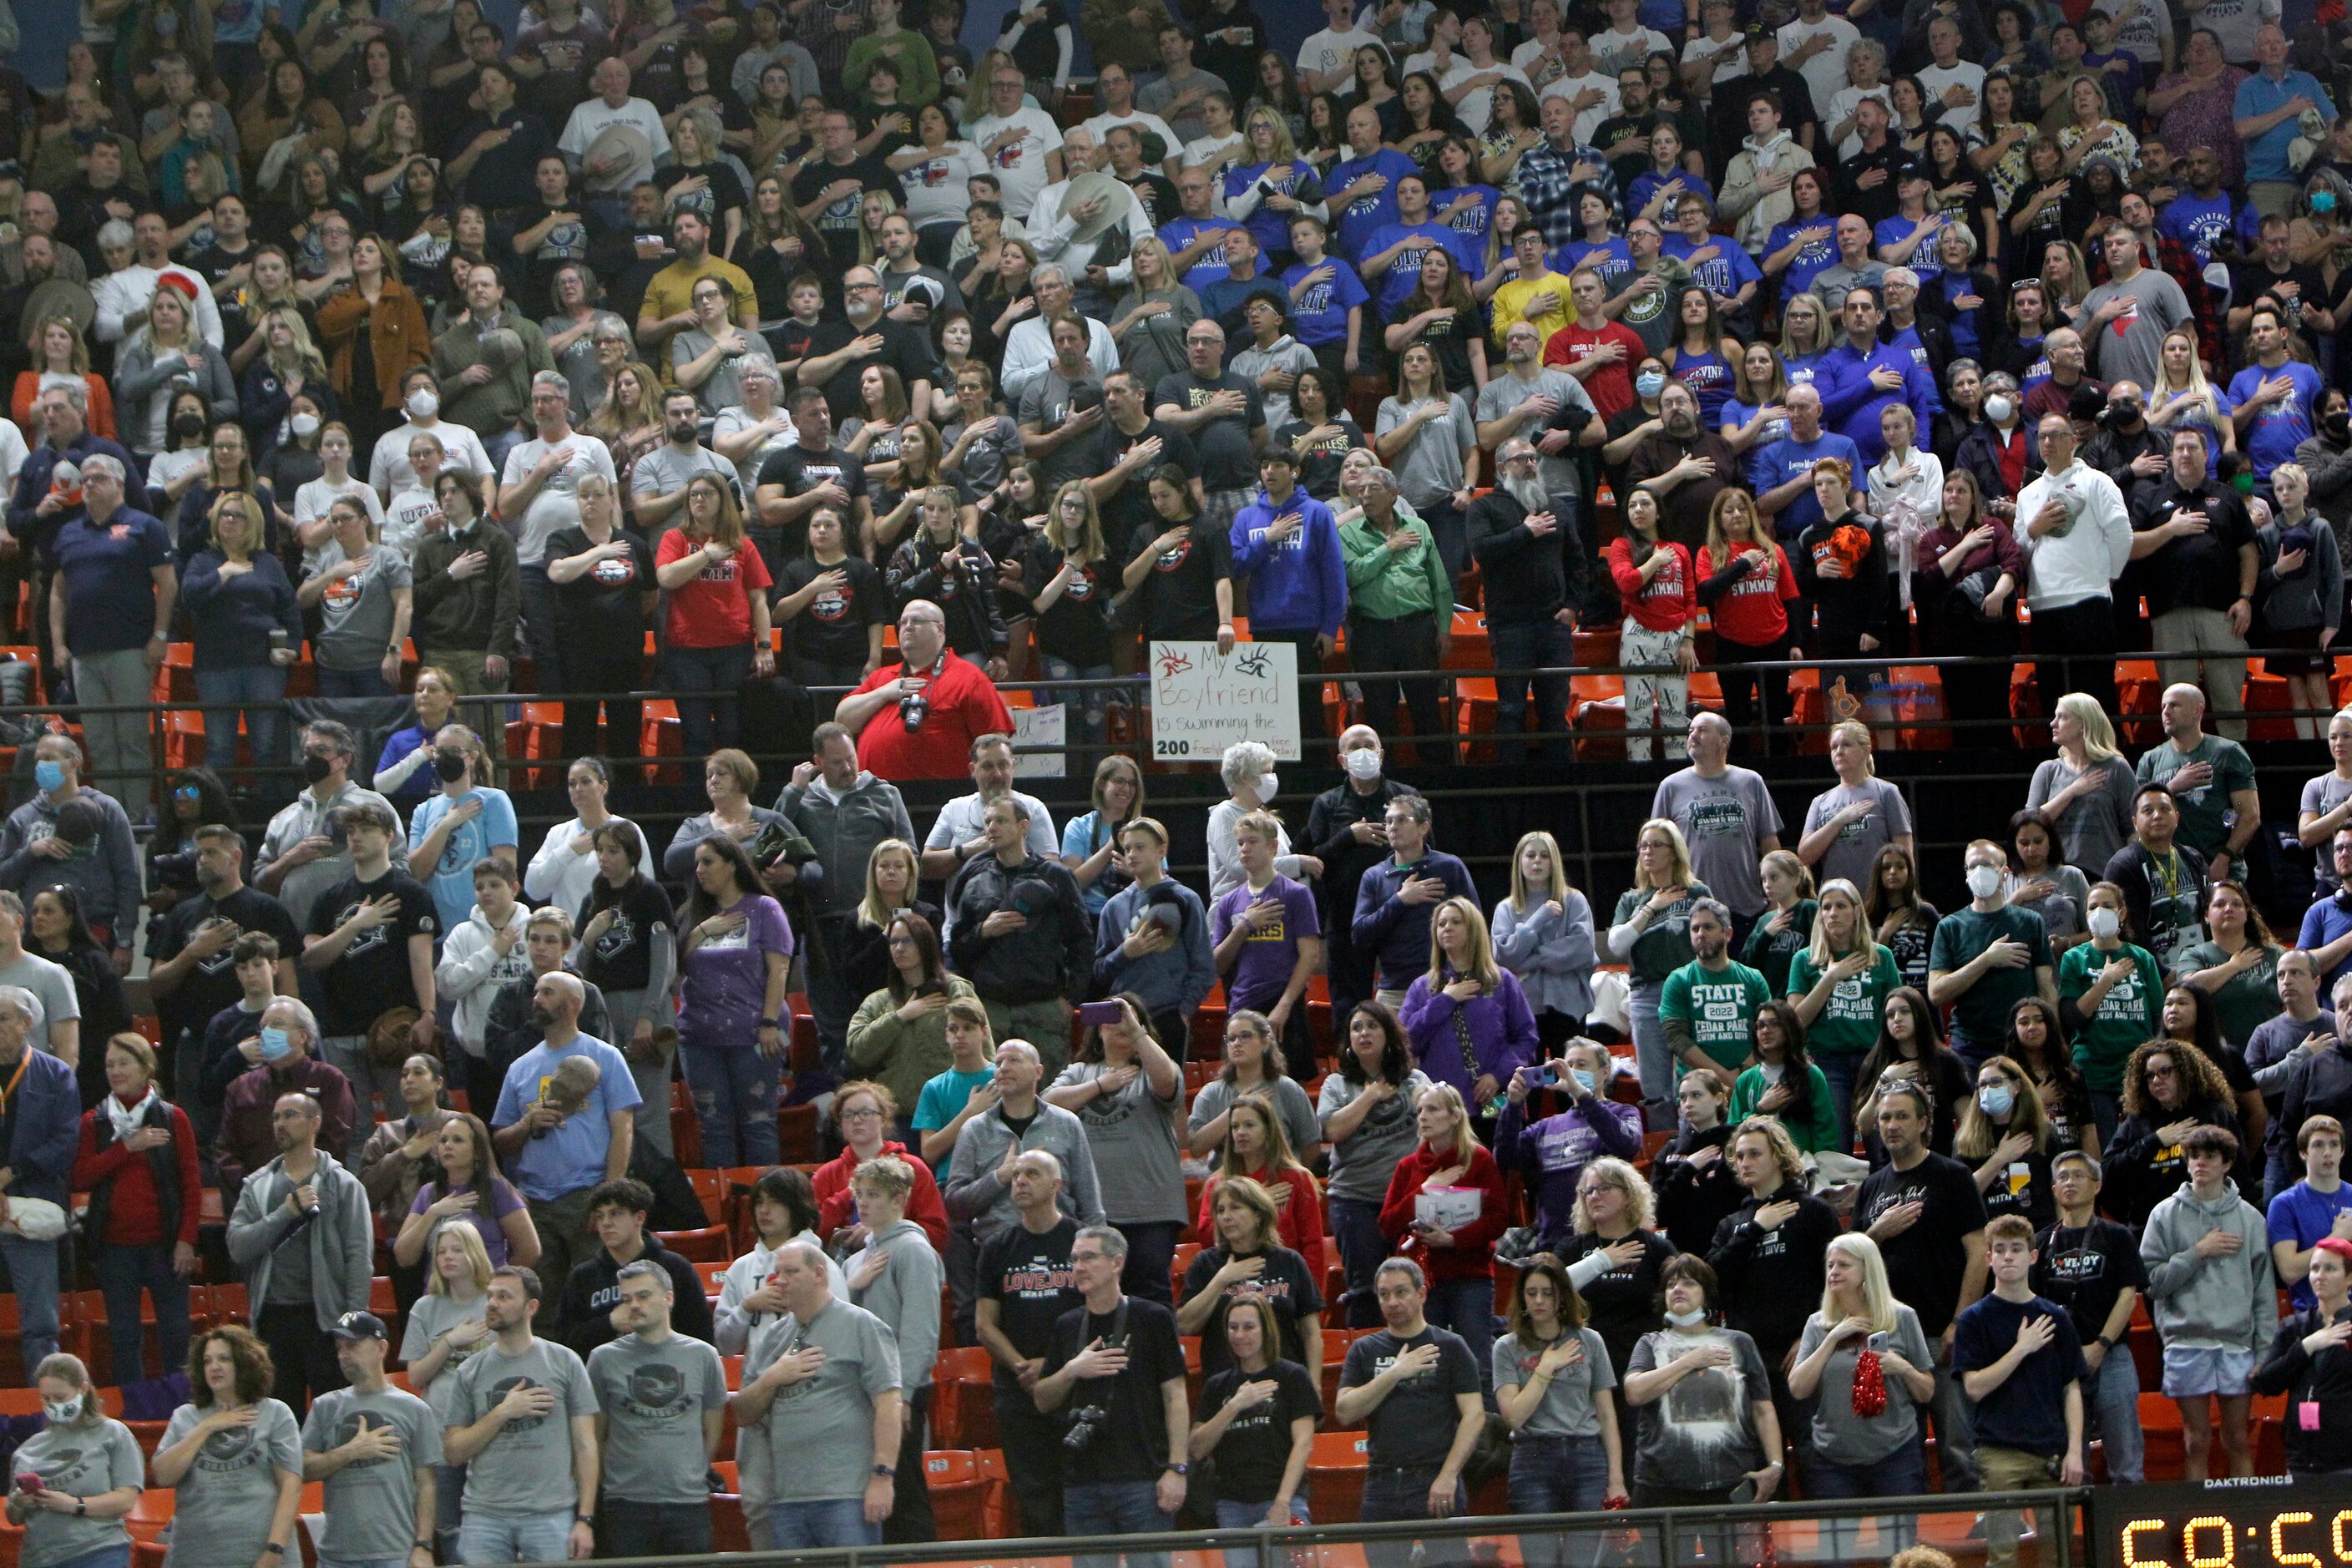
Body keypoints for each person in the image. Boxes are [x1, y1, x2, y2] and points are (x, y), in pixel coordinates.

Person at [1856, 1079, 1991, 1493]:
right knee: (1900, 1449)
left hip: (1941, 1333)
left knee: (1958, 1444)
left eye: (1901, 1116)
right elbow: (1851, 1262)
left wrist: (1959, 1321)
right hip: (1889, 1337)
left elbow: (1978, 1253)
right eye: (1884, 1118)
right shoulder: (1871, 1186)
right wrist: (1876, 1232)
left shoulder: (1952, 1177)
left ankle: (1973, 1529)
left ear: (1924, 1123)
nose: (1892, 1125)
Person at [1029, 1224, 1187, 1553]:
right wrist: (1073, 1370)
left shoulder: (1153, 1318)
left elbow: (1176, 1396)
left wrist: (1177, 1468)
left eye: (1089, 1257)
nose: (1079, 1267)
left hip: (1144, 1478)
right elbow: (1042, 1400)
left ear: (1117, 1263)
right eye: (1074, 1259)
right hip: (1082, 1483)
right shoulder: (1067, 1325)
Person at [225, 1088, 373, 1419]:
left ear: (314, 1123)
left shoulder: (344, 1184)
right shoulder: (258, 1185)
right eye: (276, 1117)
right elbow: (237, 1246)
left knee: (336, 1416)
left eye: (290, 1115)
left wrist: (353, 1323)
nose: (280, 1123)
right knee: (280, 1419)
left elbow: (358, 1257)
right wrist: (285, 1213)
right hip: (273, 1318)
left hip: (326, 1319)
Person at [489, 973, 640, 1293]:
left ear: (573, 1003)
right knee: (542, 1305)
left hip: (586, 1194)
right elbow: (501, 1142)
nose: (537, 998)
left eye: (547, 992)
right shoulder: (520, 1067)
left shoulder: (606, 1057)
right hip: (534, 1201)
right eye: (536, 992)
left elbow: (623, 1130)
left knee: (597, 1296)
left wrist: (608, 1198)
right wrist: (527, 1124)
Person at [2142, 1124, 2277, 1479]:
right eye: (2195, 1156)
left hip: (2236, 1344)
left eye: (2210, 1156)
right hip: (2187, 1342)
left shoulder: (2250, 1219)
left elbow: (2264, 1294)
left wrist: (2264, 1353)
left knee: (2238, 1439)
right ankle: (2195, 1530)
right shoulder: (2164, 1215)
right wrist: (2197, 1253)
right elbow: (2151, 1283)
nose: (2201, 1163)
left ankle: (2247, 1529)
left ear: (2227, 1163)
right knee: (2196, 1441)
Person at [442, 1266, 601, 1565]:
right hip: (484, 1515)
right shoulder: (469, 1371)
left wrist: (585, 1519)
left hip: (551, 1514)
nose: (492, 1303)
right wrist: (503, 1412)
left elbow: (586, 1446)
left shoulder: (565, 1362)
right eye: (490, 1296)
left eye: (504, 1296)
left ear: (531, 1307)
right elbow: (453, 1452)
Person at [1953, 1215, 2088, 1566]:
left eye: (2016, 1249)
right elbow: (1974, 1387)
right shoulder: (1974, 1319)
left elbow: (2071, 1389)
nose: (2008, 1256)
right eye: (2000, 1250)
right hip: (1998, 1450)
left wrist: (2075, 1452)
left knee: (2058, 1556)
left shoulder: (2057, 1318)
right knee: (2001, 1557)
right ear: (1989, 1258)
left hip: (2051, 1450)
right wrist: (2021, 1349)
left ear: (2033, 1256)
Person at [46, 453, 172, 826]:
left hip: (132, 648)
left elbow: (167, 582)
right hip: (84, 652)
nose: (88, 485)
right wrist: (58, 643)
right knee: (99, 742)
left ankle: (133, 818)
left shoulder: (144, 526)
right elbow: (57, 591)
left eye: (97, 479)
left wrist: (160, 635)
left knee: (131, 740)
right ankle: (107, 816)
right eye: (84, 480)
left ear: (118, 484)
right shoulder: (69, 531)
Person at [303, 803, 440, 1141]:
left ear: (388, 835)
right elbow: (312, 958)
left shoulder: (410, 893)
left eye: (366, 830)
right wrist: (356, 925)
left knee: (405, 1123)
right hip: (340, 1028)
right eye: (351, 832)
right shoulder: (329, 898)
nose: (356, 838)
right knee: (352, 1129)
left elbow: (421, 960)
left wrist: (428, 1013)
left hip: (392, 1026)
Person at [1620, 1254, 1783, 1535]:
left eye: (1688, 1283)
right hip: (1660, 1484)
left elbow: (1763, 1409)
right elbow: (1634, 1392)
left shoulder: (1739, 1342)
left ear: (1706, 1295)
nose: (1677, 1289)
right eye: (1670, 1284)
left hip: (1730, 1480)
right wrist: (1690, 1361)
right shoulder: (1650, 1343)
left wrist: (1776, 1465)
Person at [70, 1032, 199, 1383]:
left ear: (146, 1069)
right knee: (124, 1338)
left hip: (166, 1245)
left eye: (124, 1063)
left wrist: (186, 1240)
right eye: (110, 1064)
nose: (115, 1071)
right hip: (114, 1248)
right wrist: (127, 1147)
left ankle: (180, 1408)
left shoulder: (174, 1118)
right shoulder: (93, 1122)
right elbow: (81, 1175)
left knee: (176, 1332)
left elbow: (190, 1184)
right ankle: (132, 1411)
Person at [972, 1148, 1083, 1537]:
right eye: (1017, 1174)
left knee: (1081, 1493)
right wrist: (1023, 1366)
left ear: (1056, 1185)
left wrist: (1055, 1367)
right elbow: (985, 1326)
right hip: (1017, 1391)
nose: (1019, 1181)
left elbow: (1103, 1313)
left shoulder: (1082, 1241)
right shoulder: (997, 1248)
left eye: (1031, 1174)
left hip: (1078, 1386)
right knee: (1034, 1497)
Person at [1788, 1232, 1936, 1516]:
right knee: (1835, 1556)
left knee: (1898, 1551)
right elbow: (1797, 1388)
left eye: (1844, 1265)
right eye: (1830, 1265)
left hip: (1895, 1455)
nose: (1834, 1272)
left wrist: (1902, 1367)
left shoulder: (1902, 1317)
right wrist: (1832, 1339)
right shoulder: (1818, 1324)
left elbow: (1927, 1391)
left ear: (1867, 1269)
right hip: (1832, 1459)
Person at [1336, 1257, 1487, 1533]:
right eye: (1384, 1295)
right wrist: (1395, 1373)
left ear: (1421, 1294)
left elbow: (1474, 1416)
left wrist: (1449, 1475)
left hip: (1435, 1478)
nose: (1392, 1302)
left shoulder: (1451, 1346)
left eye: (1401, 1292)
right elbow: (1345, 1411)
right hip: (1382, 1483)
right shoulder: (1363, 1350)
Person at [1377, 1083, 1506, 1397]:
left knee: (1478, 1362)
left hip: (1469, 1276)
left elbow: (1498, 1219)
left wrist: (1453, 1239)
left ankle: (1485, 1437)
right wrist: (1426, 1188)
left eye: (1432, 1109)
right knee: (1423, 1363)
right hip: (1423, 1281)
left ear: (1455, 1116)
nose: (1423, 1116)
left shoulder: (1479, 1160)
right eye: (1420, 1110)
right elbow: (1388, 1224)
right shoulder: (1408, 1167)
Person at [947, 797, 1090, 1070]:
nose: (992, 827)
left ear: (1024, 826)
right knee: (990, 1096)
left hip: (1044, 1006)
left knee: (1049, 1095)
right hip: (991, 1008)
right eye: (988, 822)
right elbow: (957, 948)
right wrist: (983, 931)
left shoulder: (1056, 876)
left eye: (1001, 820)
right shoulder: (974, 879)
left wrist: (1070, 1000)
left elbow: (1081, 941)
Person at [675, 834, 792, 1168]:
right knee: (714, 1128)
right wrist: (701, 932)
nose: (699, 870)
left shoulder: (764, 908)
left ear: (732, 864)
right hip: (700, 1037)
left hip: (759, 1033)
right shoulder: (693, 913)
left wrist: (769, 1023)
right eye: (697, 863)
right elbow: (672, 969)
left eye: (708, 861)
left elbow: (779, 969)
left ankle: (765, 1208)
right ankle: (724, 1209)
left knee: (759, 1121)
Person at [2035, 1149, 2148, 1486]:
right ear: (2054, 1189)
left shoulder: (2116, 1237)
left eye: (2078, 1175)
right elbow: (2035, 1303)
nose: (2069, 1182)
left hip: (2110, 1355)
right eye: (2062, 1177)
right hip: (2060, 1361)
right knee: (2070, 1467)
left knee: (2126, 1461)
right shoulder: (2042, 1242)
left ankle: (2132, 1531)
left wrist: (2100, 1345)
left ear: (2097, 1186)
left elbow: (2128, 1297)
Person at [300, 1311, 443, 1568]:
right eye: (340, 1347)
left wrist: (423, 1545)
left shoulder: (414, 1408)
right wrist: (350, 1451)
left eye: (352, 1345)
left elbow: (427, 1484)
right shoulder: (324, 1407)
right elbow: (302, 1470)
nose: (343, 1355)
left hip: (395, 1552)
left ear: (381, 1348)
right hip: (337, 1554)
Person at [2016, 412, 2133, 718]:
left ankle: (2105, 764)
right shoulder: (2028, 495)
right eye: (2042, 436)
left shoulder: (2096, 481)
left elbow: (2121, 532)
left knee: (2096, 699)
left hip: (2088, 601)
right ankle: (2060, 765)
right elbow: (2019, 551)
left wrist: (2109, 577)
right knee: (2053, 700)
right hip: (2043, 605)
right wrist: (2034, 528)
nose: (2047, 442)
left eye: (2055, 435)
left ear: (2074, 440)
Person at [154, 1328, 303, 1568]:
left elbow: (291, 1486)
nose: (214, 1367)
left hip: (261, 1554)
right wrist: (207, 1426)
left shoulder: (276, 1413)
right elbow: (163, 1475)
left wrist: (274, 1550)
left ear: (245, 1363)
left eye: (224, 1359)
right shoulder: (184, 1417)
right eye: (207, 1361)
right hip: (195, 1556)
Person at [837, 599, 1018, 781]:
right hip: (875, 797)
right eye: (903, 622)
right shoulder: (882, 677)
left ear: (940, 630)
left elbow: (996, 742)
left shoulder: (969, 678)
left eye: (917, 621)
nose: (908, 627)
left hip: (938, 797)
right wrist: (884, 693)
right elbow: (843, 720)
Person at [1401, 896, 1538, 1119]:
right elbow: (1406, 1040)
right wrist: (1444, 1001)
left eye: (1456, 922)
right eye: (1441, 923)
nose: (1447, 928)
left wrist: (1497, 1076)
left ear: (1473, 929)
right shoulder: (1422, 987)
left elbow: (1526, 1039)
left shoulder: (1501, 981)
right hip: (1442, 1105)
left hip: (1494, 1099)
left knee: (1496, 1150)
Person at [4, 1352, 144, 1568]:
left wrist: (74, 1504)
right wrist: (20, 1501)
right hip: (38, 1558)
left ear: (83, 1390)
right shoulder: (27, 1449)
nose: (53, 1405)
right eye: (46, 1398)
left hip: (99, 1550)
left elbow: (126, 1499)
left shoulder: (113, 1433)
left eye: (60, 1398)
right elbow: (14, 1517)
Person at [1930, 838, 2060, 1070]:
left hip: (2022, 1042)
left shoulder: (2030, 922)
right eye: (1973, 866)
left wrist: (2054, 1042)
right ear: (1966, 873)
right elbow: (1936, 992)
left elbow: (2047, 990)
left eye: (1987, 865)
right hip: (1971, 1045)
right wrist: (1987, 960)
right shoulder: (1951, 926)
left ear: (2005, 873)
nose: (1979, 872)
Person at [214, 997, 359, 1202]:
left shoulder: (329, 1081)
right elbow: (226, 1150)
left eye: (277, 1024)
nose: (266, 1033)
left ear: (302, 1035)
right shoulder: (241, 1087)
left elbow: (335, 1142)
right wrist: (255, 1191)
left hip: (315, 1199)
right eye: (263, 1027)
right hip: (254, 1202)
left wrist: (296, 1187)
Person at [1209, 817, 1324, 1068]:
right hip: (1242, 1005)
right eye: (1240, 843)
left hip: (1285, 1002)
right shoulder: (1229, 902)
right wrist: (1244, 927)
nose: (1244, 849)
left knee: (1290, 1087)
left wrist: (1284, 1006)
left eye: (1252, 841)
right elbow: (1218, 965)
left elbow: (1310, 956)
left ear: (1273, 847)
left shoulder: (1296, 894)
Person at [2137, 683, 2262, 883]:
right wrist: (2173, 787)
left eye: (2174, 705)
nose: (2166, 712)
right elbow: (2138, 816)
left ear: (2197, 711)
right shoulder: (2150, 760)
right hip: (2169, 873)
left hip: (2220, 869)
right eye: (2163, 707)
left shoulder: (2227, 753)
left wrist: (2225, 856)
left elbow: (2248, 814)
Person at [2253, 1233, 2352, 1475]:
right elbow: (2266, 1382)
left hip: (2346, 1458)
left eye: (2330, 1269)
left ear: (2349, 1277)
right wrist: (2307, 1346)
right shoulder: (2294, 1327)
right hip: (2301, 1456)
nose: (2320, 1276)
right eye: (2315, 1268)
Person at [392, 1111, 536, 1275]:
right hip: (438, 1295)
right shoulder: (427, 1192)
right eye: (443, 1140)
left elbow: (530, 1250)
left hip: (486, 1295)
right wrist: (432, 1213)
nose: (448, 1145)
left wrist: (497, 1282)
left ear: (477, 1151)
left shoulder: (498, 1190)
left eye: (458, 1140)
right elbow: (404, 1257)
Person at [2107, 783, 2212, 972]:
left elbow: (2207, 913)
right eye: (2148, 811)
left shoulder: (2193, 858)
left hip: (2197, 962)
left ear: (2177, 817)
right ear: (2135, 822)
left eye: (2165, 809)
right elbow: (2129, 929)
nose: (2157, 815)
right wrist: (2161, 974)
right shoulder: (2123, 865)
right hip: (2148, 969)